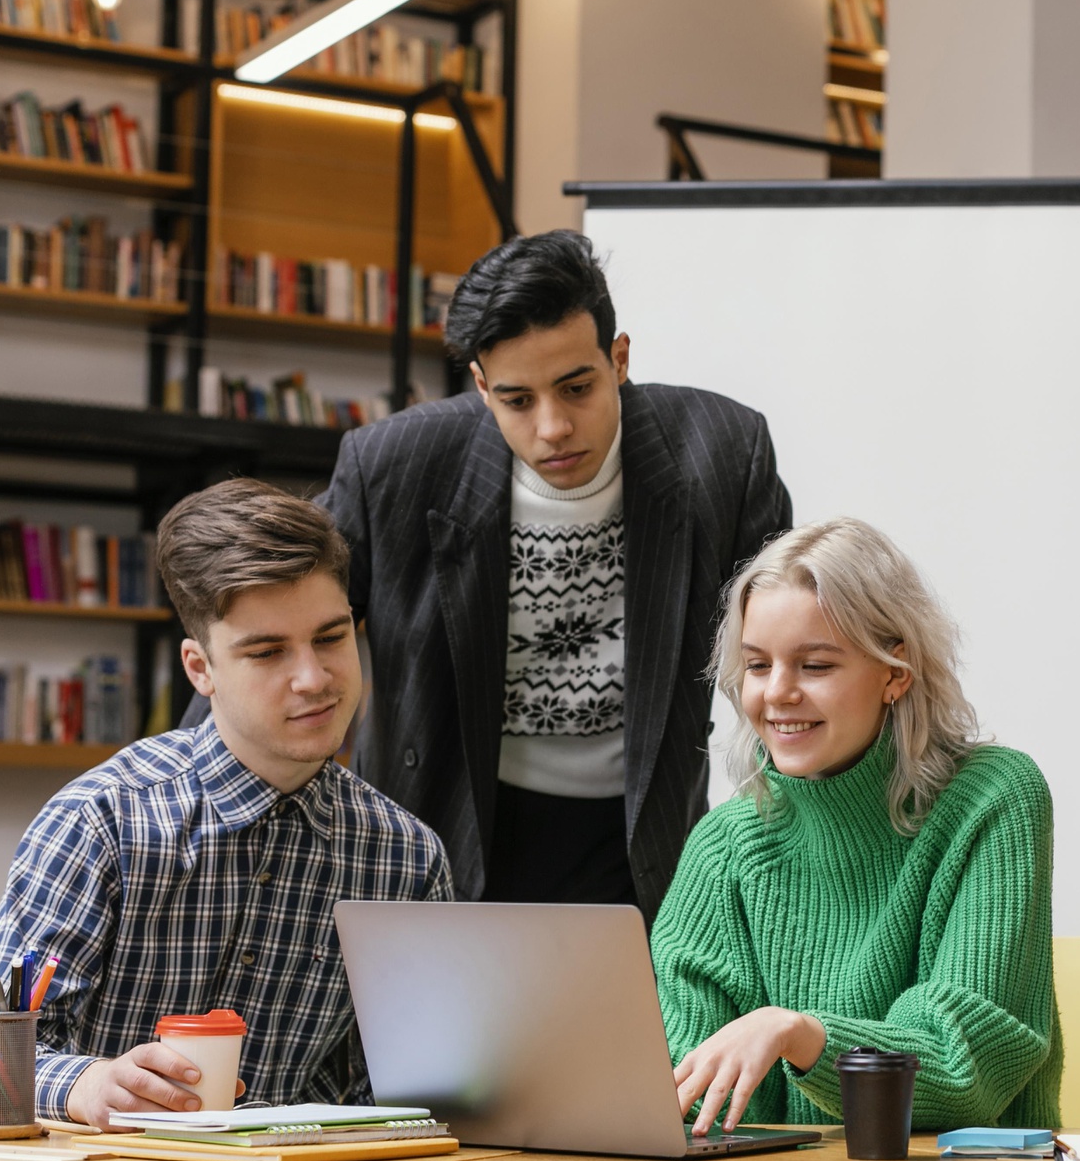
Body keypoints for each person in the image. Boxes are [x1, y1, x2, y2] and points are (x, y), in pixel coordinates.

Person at [189, 230, 791, 917]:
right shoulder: (395, 464)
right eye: (517, 399)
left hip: (642, 838)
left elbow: (787, 646)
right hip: (446, 827)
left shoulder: (721, 450)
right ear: (480, 386)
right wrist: (183, 792)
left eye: (576, 386)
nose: (553, 426)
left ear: (619, 358)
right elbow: (266, 617)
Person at [0, 479, 452, 1132]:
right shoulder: (102, 820)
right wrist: (85, 1083)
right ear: (200, 669)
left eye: (331, 636)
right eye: (266, 651)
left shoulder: (405, 857)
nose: (314, 678)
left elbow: (411, 1092)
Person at [651, 518, 1060, 1136]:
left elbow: (964, 1067)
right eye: (758, 666)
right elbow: (687, 1089)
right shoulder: (723, 845)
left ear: (895, 674)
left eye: (814, 666)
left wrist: (801, 1035)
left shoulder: (993, 798)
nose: (777, 693)